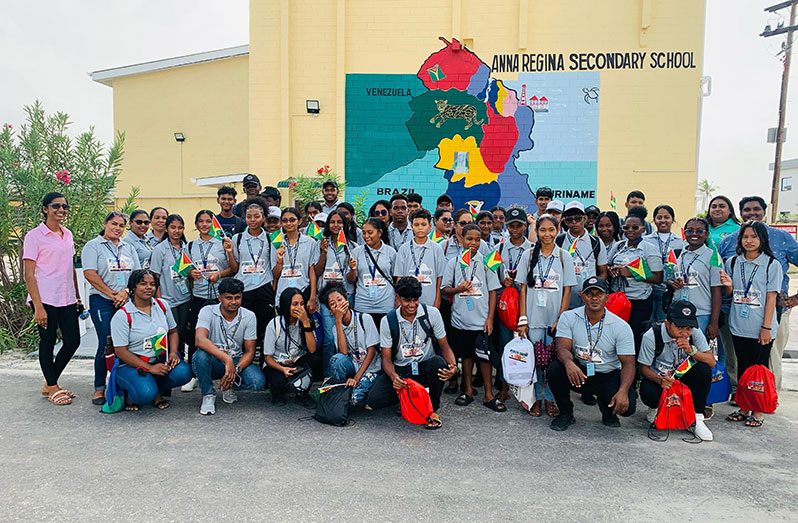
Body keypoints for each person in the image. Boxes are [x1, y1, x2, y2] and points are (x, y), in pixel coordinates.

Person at [719, 196, 798, 391]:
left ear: (764, 211)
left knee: (768, 360)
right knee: (737, 359)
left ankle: (765, 401)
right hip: (737, 314)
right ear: (740, 213)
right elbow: (729, 286)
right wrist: (728, 286)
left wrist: (794, 300)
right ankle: (742, 399)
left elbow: (771, 294)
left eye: (756, 209)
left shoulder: (781, 241)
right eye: (747, 210)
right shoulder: (729, 243)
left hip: (771, 312)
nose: (752, 213)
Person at [367, 277, 459, 430]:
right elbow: (386, 359)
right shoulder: (388, 320)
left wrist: (453, 367)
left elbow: (445, 346)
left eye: (415, 300)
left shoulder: (432, 314)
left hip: (425, 367)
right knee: (375, 399)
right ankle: (406, 400)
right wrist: (394, 377)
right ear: (398, 299)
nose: (412, 305)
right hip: (402, 370)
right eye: (407, 300)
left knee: (438, 364)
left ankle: (432, 409)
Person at [547, 276, 637, 431]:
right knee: (555, 370)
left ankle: (608, 411)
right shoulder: (569, 317)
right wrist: (569, 364)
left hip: (607, 373)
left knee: (628, 407)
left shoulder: (621, 326)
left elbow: (628, 363)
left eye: (599, 294)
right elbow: (562, 348)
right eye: (589, 294)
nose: (594, 298)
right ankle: (565, 413)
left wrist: (622, 391)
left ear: (607, 298)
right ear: (582, 295)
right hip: (580, 371)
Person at [721, 220, 782, 428]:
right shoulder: (733, 262)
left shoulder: (771, 264)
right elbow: (733, 294)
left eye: (754, 237)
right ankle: (744, 407)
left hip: (761, 328)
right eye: (745, 237)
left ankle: (758, 410)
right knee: (743, 368)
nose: (749, 241)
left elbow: (771, 297)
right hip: (738, 325)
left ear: (762, 239)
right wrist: (728, 286)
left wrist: (766, 327)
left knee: (759, 369)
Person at [23, 192, 81, 405]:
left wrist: (77, 296)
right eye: (56, 206)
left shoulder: (68, 234)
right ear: (45, 209)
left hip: (66, 297)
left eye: (64, 206)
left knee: (73, 340)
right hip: (45, 297)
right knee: (47, 342)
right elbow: (29, 273)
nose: (61, 210)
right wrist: (38, 307)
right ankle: (53, 386)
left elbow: (70, 268)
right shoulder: (34, 236)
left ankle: (50, 382)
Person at [516, 214, 577, 417]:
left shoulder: (563, 256)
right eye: (542, 230)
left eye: (551, 230)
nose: (547, 234)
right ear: (536, 231)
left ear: (558, 230)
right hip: (533, 318)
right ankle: (534, 398)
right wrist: (523, 318)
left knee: (552, 362)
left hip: (554, 320)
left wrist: (561, 318)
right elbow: (523, 289)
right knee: (533, 361)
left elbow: (567, 290)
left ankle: (550, 398)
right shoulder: (528, 255)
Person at [110, 269, 192, 411]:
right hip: (132, 365)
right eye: (143, 284)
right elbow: (121, 351)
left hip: (159, 359)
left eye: (153, 284)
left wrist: (173, 353)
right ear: (133, 288)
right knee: (145, 393)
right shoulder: (122, 315)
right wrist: (150, 368)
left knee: (184, 373)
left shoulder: (162, 305)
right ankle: (132, 395)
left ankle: (155, 390)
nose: (149, 287)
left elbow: (173, 332)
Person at [442, 224, 503, 411]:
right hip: (461, 320)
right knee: (466, 357)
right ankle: (467, 390)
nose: (473, 243)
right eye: (469, 239)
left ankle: (488, 394)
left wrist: (490, 319)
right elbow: (444, 289)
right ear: (461, 239)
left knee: (484, 358)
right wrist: (458, 289)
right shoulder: (453, 262)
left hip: (481, 319)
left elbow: (493, 291)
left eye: (477, 240)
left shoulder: (487, 262)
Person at [82, 211, 141, 405]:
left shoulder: (128, 247)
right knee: (106, 342)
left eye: (121, 225)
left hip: (126, 299)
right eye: (113, 224)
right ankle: (100, 387)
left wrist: (125, 292)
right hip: (102, 300)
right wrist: (111, 294)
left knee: (126, 343)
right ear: (105, 223)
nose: (117, 228)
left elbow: (137, 275)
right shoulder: (93, 246)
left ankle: (122, 385)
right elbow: (90, 274)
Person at [638, 301, 715, 441]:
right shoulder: (652, 335)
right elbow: (643, 368)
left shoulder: (694, 334)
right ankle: (656, 408)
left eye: (689, 328)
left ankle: (697, 418)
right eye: (680, 327)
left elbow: (711, 361)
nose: (685, 333)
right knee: (648, 391)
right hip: (661, 379)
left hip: (684, 377)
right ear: (668, 323)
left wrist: (692, 351)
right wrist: (660, 380)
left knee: (703, 370)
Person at [192, 277, 266, 415]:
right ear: (219, 297)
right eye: (228, 298)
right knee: (200, 356)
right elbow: (199, 339)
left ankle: (228, 385)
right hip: (215, 359)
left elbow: (250, 352)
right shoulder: (207, 311)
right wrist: (227, 359)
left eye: (237, 297)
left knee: (257, 382)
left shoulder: (249, 316)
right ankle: (208, 394)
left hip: (236, 359)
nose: (233, 302)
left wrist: (234, 370)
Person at [183, 210, 235, 390]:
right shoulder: (190, 246)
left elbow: (233, 268)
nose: (204, 225)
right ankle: (194, 374)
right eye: (201, 222)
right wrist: (191, 273)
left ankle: (222, 371)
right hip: (198, 296)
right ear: (196, 225)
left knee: (220, 334)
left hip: (218, 297)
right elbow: (184, 270)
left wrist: (219, 274)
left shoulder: (222, 243)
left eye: (208, 221)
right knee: (194, 337)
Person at [608, 207, 663, 353]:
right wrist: (613, 270)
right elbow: (607, 265)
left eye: (635, 227)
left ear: (643, 229)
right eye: (626, 227)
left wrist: (631, 273)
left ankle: (634, 371)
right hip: (618, 299)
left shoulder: (649, 248)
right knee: (616, 335)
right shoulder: (618, 246)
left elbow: (658, 278)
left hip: (639, 301)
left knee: (634, 337)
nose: (630, 230)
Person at [491, 207, 532, 399]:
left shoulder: (532, 250)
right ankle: (504, 384)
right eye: (511, 226)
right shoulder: (498, 248)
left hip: (525, 303)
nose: (515, 229)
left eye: (519, 225)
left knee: (526, 344)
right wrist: (502, 282)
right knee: (505, 344)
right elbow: (490, 276)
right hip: (505, 304)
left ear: (525, 226)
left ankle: (525, 384)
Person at [321, 283, 381, 406]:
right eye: (333, 304)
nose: (337, 305)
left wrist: (356, 378)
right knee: (336, 359)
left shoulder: (365, 319)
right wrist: (338, 321)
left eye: (340, 300)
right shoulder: (335, 327)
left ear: (347, 301)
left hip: (371, 369)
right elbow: (343, 353)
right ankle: (339, 392)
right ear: (330, 311)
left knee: (355, 398)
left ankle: (370, 388)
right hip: (353, 366)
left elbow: (371, 351)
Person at [230, 200, 276, 357]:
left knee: (265, 329)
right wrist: (229, 252)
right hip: (244, 289)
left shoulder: (271, 239)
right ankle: (242, 363)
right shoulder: (237, 238)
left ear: (263, 218)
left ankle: (265, 362)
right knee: (245, 329)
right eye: (249, 216)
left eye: (257, 216)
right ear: (245, 218)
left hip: (264, 288)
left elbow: (274, 265)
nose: (253, 220)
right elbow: (235, 267)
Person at [668, 217, 722, 345]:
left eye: (699, 231)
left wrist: (714, 322)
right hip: (677, 313)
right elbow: (669, 279)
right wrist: (672, 283)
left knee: (698, 353)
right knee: (680, 350)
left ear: (707, 234)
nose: (694, 234)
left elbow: (717, 291)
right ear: (684, 233)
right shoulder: (678, 254)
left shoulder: (712, 256)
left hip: (701, 314)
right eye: (690, 231)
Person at [262, 287, 321, 406]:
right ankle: (278, 393)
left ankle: (302, 393)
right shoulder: (275, 324)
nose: (299, 308)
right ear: (286, 305)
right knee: (279, 382)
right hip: (277, 363)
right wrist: (283, 369)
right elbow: (267, 358)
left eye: (302, 304)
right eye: (295, 304)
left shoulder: (306, 321)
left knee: (316, 360)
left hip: (296, 360)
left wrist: (305, 323)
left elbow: (312, 349)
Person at [315, 211, 358, 371]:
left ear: (344, 225)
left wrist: (353, 269)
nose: (335, 225)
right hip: (327, 299)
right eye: (332, 222)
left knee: (347, 335)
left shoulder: (352, 247)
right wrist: (323, 253)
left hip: (346, 296)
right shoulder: (321, 244)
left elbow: (351, 279)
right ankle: (329, 374)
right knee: (329, 338)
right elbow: (317, 271)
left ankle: (346, 370)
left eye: (339, 222)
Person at [149, 214, 192, 359]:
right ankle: (170, 359)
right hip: (167, 299)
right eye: (173, 227)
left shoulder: (186, 247)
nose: (176, 231)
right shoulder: (160, 249)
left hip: (185, 297)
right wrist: (159, 301)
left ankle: (180, 360)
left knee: (182, 331)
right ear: (167, 229)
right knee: (170, 332)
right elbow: (155, 277)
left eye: (180, 227)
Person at [558, 201, 608, 309]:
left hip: (589, 302)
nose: (574, 222)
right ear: (564, 221)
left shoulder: (596, 242)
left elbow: (603, 272)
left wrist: (594, 291)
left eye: (578, 218)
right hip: (564, 300)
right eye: (569, 219)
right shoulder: (559, 241)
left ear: (585, 218)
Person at [348, 218, 397, 327]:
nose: (366, 236)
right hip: (363, 303)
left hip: (386, 303)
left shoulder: (390, 252)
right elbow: (351, 280)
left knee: (385, 339)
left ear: (379, 232)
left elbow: (396, 278)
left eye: (370, 232)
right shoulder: (356, 252)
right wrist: (352, 269)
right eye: (364, 233)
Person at [394, 209, 445, 308]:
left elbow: (440, 277)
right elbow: (399, 277)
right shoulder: (404, 248)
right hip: (407, 301)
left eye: (423, 224)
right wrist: (399, 299)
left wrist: (438, 300)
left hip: (430, 300)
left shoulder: (437, 248)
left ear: (430, 227)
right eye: (416, 225)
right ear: (412, 226)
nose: (420, 228)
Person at [271, 207, 320, 310]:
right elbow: (275, 274)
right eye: (284, 220)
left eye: (292, 220)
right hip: (283, 294)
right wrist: (279, 261)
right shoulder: (276, 243)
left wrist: (312, 297)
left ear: (300, 221)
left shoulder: (310, 242)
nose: (289, 223)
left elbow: (312, 272)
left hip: (303, 290)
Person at [644, 204, 684, 321]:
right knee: (647, 324)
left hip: (670, 290)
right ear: (654, 220)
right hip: (649, 289)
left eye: (667, 217)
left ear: (673, 220)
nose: (663, 221)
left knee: (664, 324)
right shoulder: (645, 241)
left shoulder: (680, 242)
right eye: (659, 217)